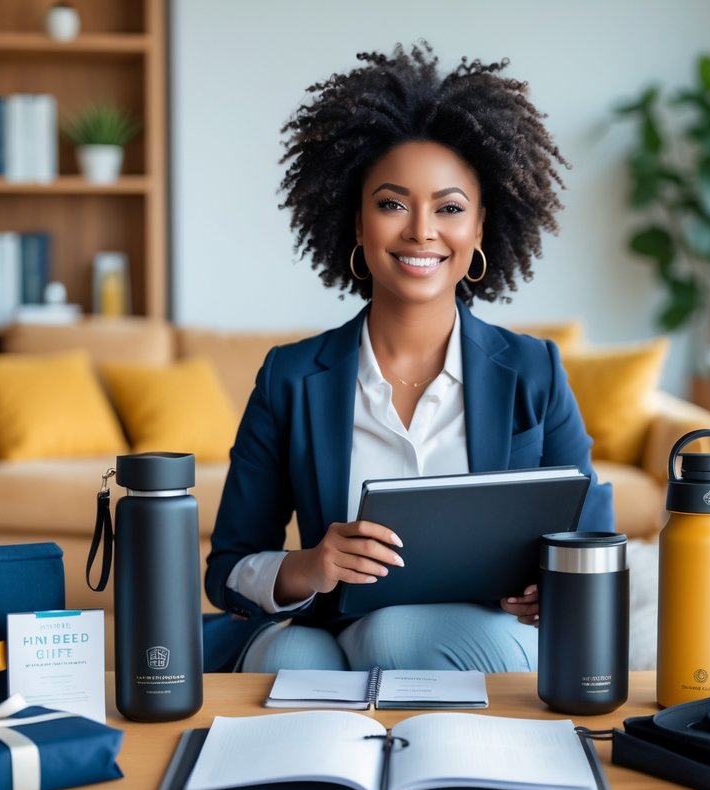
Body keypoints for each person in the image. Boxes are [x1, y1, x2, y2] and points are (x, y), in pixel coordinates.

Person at [205, 42, 613, 673]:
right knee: (290, 656)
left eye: (449, 208)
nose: (421, 230)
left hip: (470, 638)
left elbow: (591, 544)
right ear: (357, 223)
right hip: (321, 629)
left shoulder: (534, 371)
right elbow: (228, 571)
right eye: (392, 204)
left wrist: (552, 589)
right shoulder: (290, 377)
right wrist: (307, 567)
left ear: (479, 229)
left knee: (389, 638)